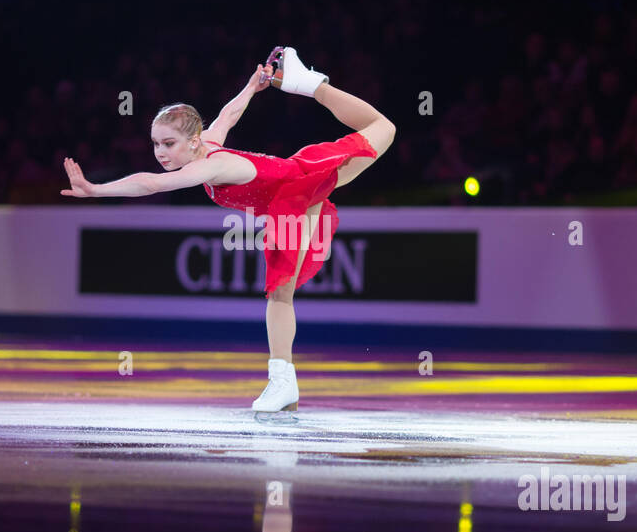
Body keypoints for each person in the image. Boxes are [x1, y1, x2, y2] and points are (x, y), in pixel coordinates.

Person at [62, 47, 396, 412]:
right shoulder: (209, 145)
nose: (161, 152)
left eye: (169, 144)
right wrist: (251, 87)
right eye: (156, 143)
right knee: (281, 294)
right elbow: (228, 114)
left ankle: (308, 83)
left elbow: (152, 184)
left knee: (384, 128)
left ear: (192, 141)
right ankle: (283, 380)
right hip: (300, 194)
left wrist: (97, 189)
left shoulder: (209, 165)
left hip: (300, 186)